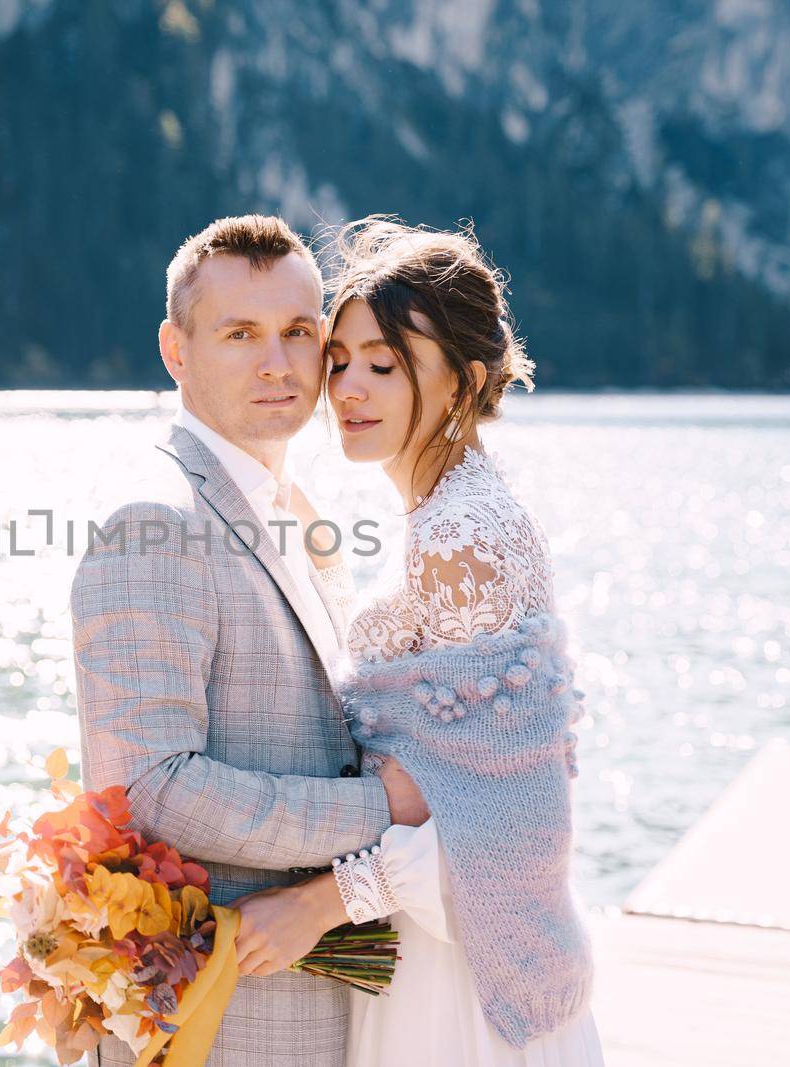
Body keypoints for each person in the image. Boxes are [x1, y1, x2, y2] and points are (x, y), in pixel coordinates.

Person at [230, 217, 605, 1066]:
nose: (348, 389)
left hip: (461, 986)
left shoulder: (460, 535)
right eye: (342, 360)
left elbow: (509, 824)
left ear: (466, 382)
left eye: (385, 364)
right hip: (440, 945)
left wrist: (319, 904)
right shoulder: (452, 510)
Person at [69, 214, 428, 1066]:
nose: (278, 363)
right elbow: (154, 790)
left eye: (298, 332)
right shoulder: (152, 522)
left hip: (326, 1008)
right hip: (224, 1025)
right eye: (241, 334)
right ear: (176, 349)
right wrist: (385, 808)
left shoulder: (303, 512)